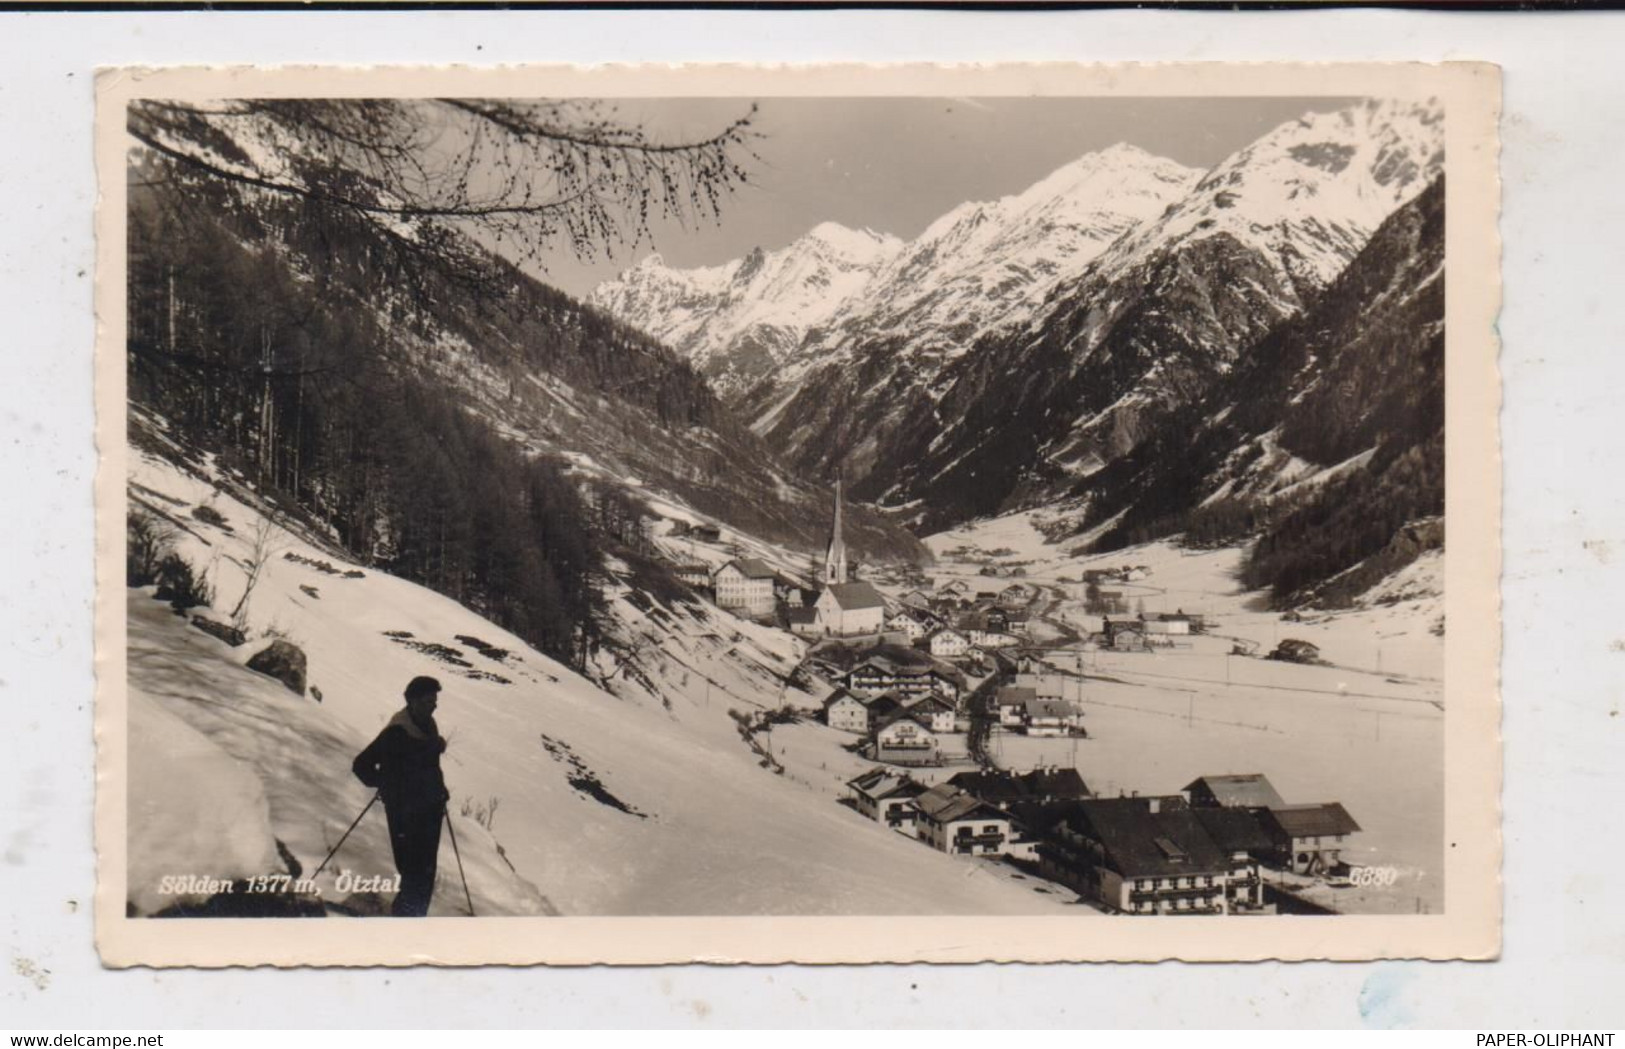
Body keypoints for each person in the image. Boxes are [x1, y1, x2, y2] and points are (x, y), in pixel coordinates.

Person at [352, 675, 449, 917]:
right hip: (405, 812)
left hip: (430, 810)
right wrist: (388, 785)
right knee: (413, 871)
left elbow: (429, 766)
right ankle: (405, 921)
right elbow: (362, 765)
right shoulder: (397, 732)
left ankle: (412, 919)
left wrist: (440, 789)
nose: (433, 705)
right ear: (413, 701)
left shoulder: (428, 725)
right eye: (428, 701)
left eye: (434, 701)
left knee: (425, 873)